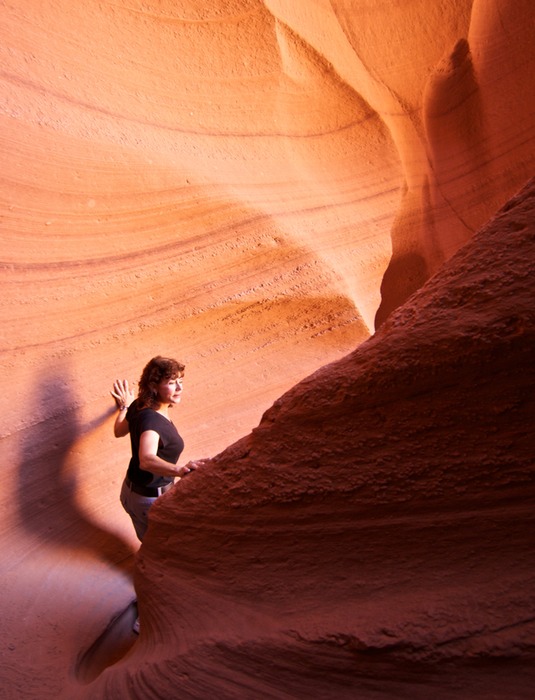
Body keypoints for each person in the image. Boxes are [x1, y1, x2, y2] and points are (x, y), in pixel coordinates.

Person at [110, 355, 197, 543]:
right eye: (172, 383)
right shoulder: (152, 422)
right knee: (164, 546)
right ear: (153, 386)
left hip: (131, 493)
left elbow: (119, 431)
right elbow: (146, 459)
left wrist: (125, 406)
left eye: (180, 381)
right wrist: (179, 470)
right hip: (149, 501)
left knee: (150, 543)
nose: (179, 388)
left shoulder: (139, 405)